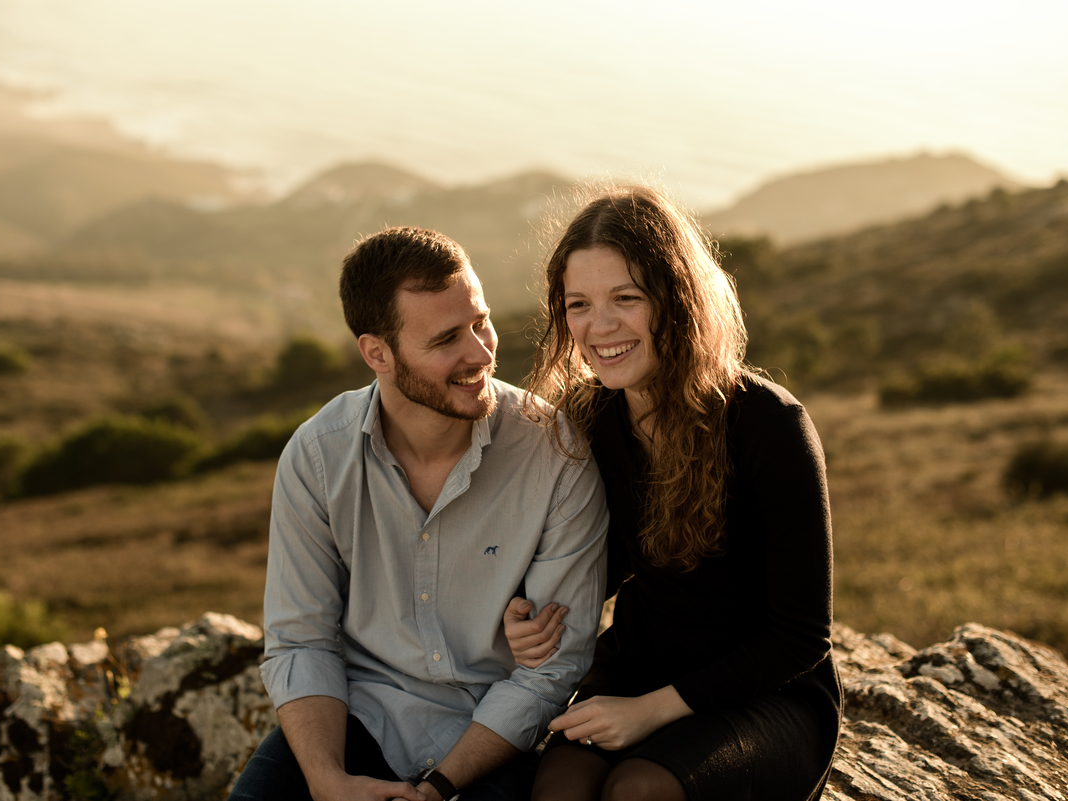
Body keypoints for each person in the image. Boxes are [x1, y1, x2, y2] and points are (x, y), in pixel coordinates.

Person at [230, 226, 609, 801]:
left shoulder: (555, 455)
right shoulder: (318, 457)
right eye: (447, 339)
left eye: (481, 322)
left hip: (495, 738)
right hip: (360, 716)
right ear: (377, 353)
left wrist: (438, 788)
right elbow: (302, 641)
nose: (480, 353)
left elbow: (554, 667)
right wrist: (328, 782)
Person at [503, 186, 841, 801]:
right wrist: (527, 613)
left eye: (626, 298)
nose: (600, 326)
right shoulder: (590, 418)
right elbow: (594, 563)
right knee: (559, 794)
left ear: (677, 300)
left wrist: (650, 712)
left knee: (638, 792)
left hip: (765, 694)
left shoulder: (769, 425)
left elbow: (802, 635)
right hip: (638, 667)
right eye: (579, 304)